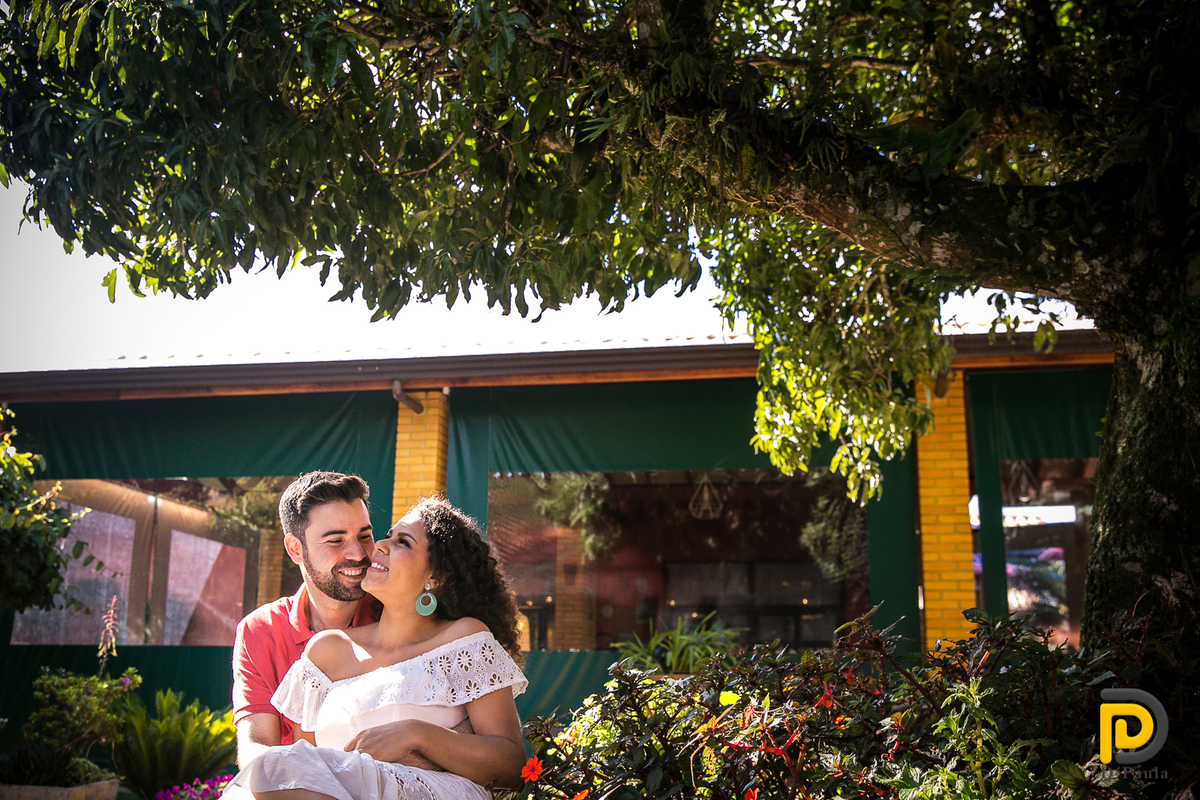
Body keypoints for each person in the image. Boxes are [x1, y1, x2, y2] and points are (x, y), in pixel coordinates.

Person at [223, 495, 528, 800]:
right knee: (274, 767)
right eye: (387, 537)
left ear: (436, 577)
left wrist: (415, 735)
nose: (379, 547)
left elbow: (512, 766)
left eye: (403, 543)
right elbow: (301, 766)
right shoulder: (326, 652)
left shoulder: (464, 639)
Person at [234, 472, 382, 767]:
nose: (357, 553)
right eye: (336, 540)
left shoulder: (396, 615)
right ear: (295, 549)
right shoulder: (259, 631)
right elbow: (256, 747)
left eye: (364, 536)